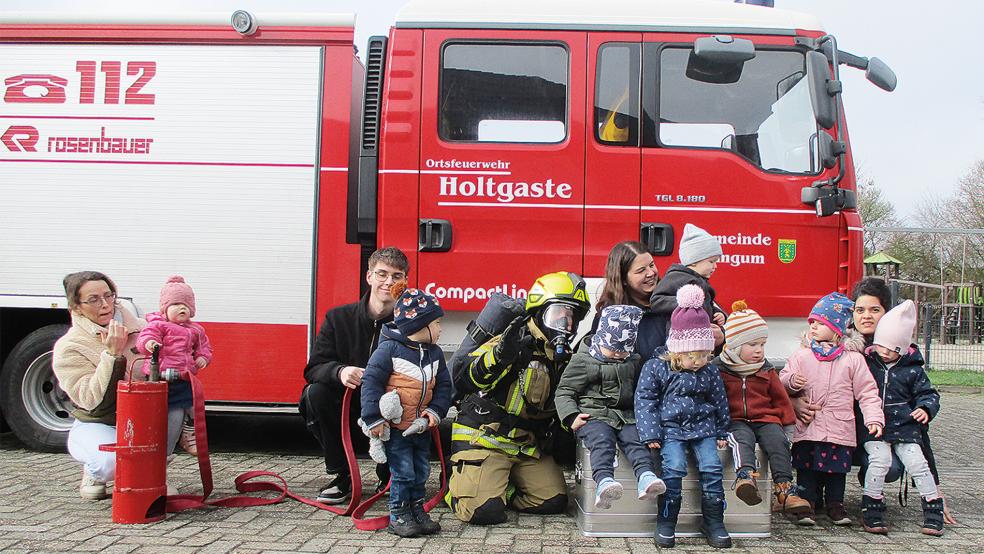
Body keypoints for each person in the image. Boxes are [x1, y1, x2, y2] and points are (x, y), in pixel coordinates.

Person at [793, 277, 955, 524]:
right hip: (835, 430)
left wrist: (935, 486)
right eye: (859, 310)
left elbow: (918, 426)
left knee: (888, 466)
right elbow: (798, 378)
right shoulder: (834, 347)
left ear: (887, 314)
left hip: (877, 435)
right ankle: (813, 495)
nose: (866, 316)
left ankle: (866, 480)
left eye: (874, 310)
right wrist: (794, 402)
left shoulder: (898, 359)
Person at [447, 271, 590, 525]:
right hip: (484, 439)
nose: (566, 325)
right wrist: (500, 357)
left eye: (572, 318)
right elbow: (468, 379)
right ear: (538, 312)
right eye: (559, 315)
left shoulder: (559, 358)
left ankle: (499, 487)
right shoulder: (512, 341)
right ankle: (456, 487)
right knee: (484, 512)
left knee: (554, 501)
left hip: (525, 447)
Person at [298, 246, 408, 504]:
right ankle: (341, 475)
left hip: (389, 408)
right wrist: (340, 371)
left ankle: (389, 474)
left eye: (396, 276)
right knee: (315, 394)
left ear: (404, 282)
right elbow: (313, 368)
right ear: (369, 277)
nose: (388, 282)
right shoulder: (338, 318)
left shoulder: (410, 325)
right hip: (347, 407)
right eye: (382, 274)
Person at [635, 285, 732, 549]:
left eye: (704, 354)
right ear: (677, 349)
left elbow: (719, 402)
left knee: (712, 468)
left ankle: (713, 521)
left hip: (704, 429)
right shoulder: (657, 367)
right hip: (672, 430)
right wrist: (650, 433)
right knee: (674, 469)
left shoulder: (709, 372)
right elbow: (645, 400)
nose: (699, 361)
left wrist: (722, 431)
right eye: (693, 355)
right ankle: (666, 522)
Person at [780, 292, 885, 527]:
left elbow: (867, 392)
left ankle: (835, 505)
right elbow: (783, 378)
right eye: (812, 323)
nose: (814, 327)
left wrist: (874, 418)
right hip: (809, 424)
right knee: (806, 466)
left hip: (839, 425)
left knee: (836, 470)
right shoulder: (802, 355)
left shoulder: (852, 360)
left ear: (836, 328)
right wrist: (790, 382)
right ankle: (806, 503)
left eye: (820, 323)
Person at [361, 284, 452, 537]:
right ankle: (398, 514)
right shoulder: (388, 350)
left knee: (421, 471)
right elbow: (370, 382)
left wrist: (434, 412)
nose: (441, 329)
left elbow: (444, 386)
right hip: (398, 429)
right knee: (403, 472)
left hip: (420, 427)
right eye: (436, 324)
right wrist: (373, 418)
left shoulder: (434, 354)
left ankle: (416, 509)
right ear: (418, 326)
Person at [555, 305, 665, 510]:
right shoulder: (583, 361)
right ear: (600, 340)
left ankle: (646, 477)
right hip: (594, 415)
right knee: (602, 442)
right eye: (612, 349)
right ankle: (604, 482)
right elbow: (564, 391)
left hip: (624, 415)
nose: (616, 354)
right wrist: (571, 417)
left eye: (622, 351)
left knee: (636, 440)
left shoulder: (632, 360)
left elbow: (641, 390)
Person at [53, 271, 145, 500]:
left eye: (109, 295)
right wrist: (112, 355)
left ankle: (150, 471)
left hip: (142, 419)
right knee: (109, 462)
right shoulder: (69, 347)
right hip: (98, 420)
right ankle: (94, 471)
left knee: (174, 414)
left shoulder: (143, 330)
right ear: (76, 307)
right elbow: (90, 399)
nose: (105, 305)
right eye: (94, 299)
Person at [715, 300, 810, 516]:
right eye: (753, 345)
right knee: (741, 440)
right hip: (735, 419)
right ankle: (745, 477)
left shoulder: (766, 370)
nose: (759, 351)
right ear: (735, 345)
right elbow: (713, 399)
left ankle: (785, 489)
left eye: (762, 345)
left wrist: (788, 426)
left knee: (777, 442)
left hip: (766, 418)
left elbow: (780, 399)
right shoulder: (719, 370)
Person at [858, 300, 944, 536]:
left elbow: (929, 394)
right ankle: (872, 508)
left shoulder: (913, 370)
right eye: (881, 346)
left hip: (906, 429)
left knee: (918, 463)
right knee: (880, 461)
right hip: (874, 428)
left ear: (903, 349)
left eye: (892, 349)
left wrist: (925, 409)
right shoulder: (867, 363)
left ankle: (933, 508)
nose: (884, 353)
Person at [136, 276, 212, 457]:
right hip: (161, 379)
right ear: (164, 308)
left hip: (184, 377)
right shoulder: (158, 325)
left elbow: (204, 348)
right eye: (176, 304)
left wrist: (203, 358)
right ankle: (159, 451)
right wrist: (150, 344)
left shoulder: (196, 330)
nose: (182, 308)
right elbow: (144, 338)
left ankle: (188, 432)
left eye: (186, 305)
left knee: (195, 407)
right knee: (166, 417)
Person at [650, 224, 727, 349]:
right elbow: (656, 301)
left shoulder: (702, 281)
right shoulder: (676, 277)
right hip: (680, 339)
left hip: (701, 338)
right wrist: (683, 301)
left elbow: (708, 304)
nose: (715, 266)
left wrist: (719, 314)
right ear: (694, 260)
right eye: (711, 261)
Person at [590, 241, 663, 357]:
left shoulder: (669, 303)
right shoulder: (609, 317)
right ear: (623, 279)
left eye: (652, 265)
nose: (651, 273)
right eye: (641, 270)